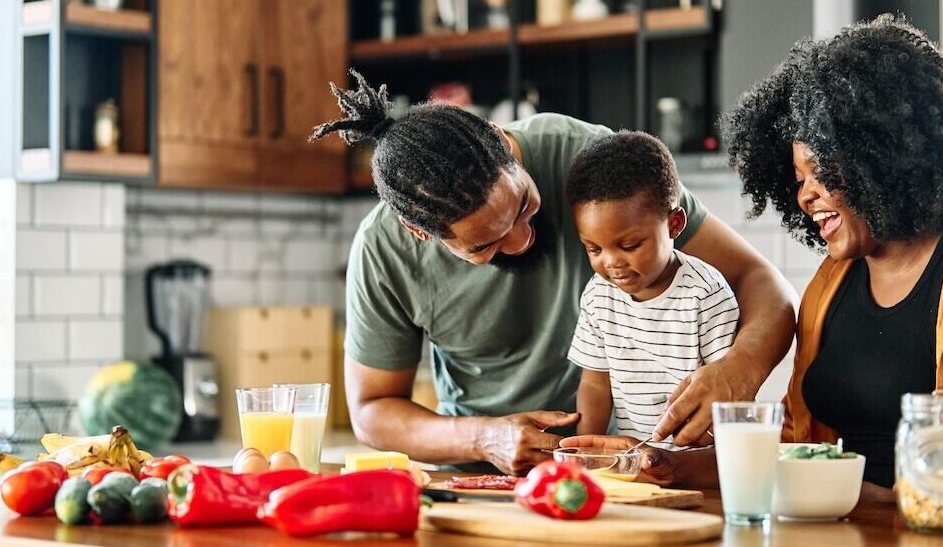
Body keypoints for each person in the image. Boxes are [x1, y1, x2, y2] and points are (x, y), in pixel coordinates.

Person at [563, 15, 943, 511]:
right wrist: (667, 465)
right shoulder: (830, 286)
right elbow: (796, 446)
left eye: (825, 174)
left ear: (886, 159)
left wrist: (941, 500)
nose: (806, 196)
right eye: (798, 180)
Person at [310, 72, 797, 475]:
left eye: (524, 205)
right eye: (484, 244)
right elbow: (372, 412)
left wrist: (738, 371)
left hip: (632, 472)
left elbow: (763, 283)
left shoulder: (592, 163)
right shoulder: (383, 251)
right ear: (420, 233)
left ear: (502, 140)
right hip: (488, 482)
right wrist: (485, 438)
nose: (522, 239)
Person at [565, 130, 740, 443]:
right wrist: (586, 451)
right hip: (632, 462)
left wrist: (691, 455)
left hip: (697, 460)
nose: (612, 262)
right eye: (594, 249)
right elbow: (595, 384)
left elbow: (725, 395)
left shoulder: (706, 294)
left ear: (674, 224)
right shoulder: (598, 295)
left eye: (630, 245)